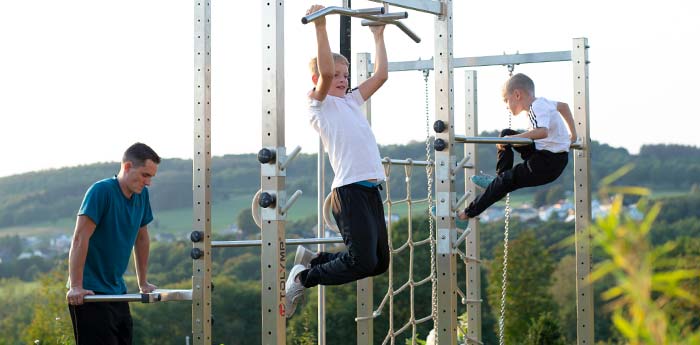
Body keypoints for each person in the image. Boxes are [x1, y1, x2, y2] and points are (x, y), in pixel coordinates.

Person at [284, 4, 390, 318]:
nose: (342, 80)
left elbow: (382, 75)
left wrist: (378, 35)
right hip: (349, 191)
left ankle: (314, 260)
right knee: (361, 262)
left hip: (370, 191)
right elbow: (326, 71)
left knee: (378, 263)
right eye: (337, 75)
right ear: (318, 78)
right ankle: (304, 278)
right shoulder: (319, 106)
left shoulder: (350, 101)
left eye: (346, 75)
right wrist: (321, 25)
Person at [66, 142, 160, 344]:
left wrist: (142, 282)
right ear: (127, 167)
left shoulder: (141, 196)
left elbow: (142, 238)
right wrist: (76, 286)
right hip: (90, 293)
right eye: (145, 175)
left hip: (117, 291)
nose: (148, 182)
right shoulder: (101, 192)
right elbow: (80, 238)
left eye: (151, 176)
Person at [458, 73, 578, 221]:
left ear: (517, 94)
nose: (506, 106)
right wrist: (573, 135)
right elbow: (564, 107)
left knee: (506, 171)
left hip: (547, 163)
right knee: (505, 134)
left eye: (506, 100)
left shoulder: (536, 107)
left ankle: (466, 214)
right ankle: (498, 180)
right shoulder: (544, 102)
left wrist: (512, 139)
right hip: (543, 154)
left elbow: (542, 132)